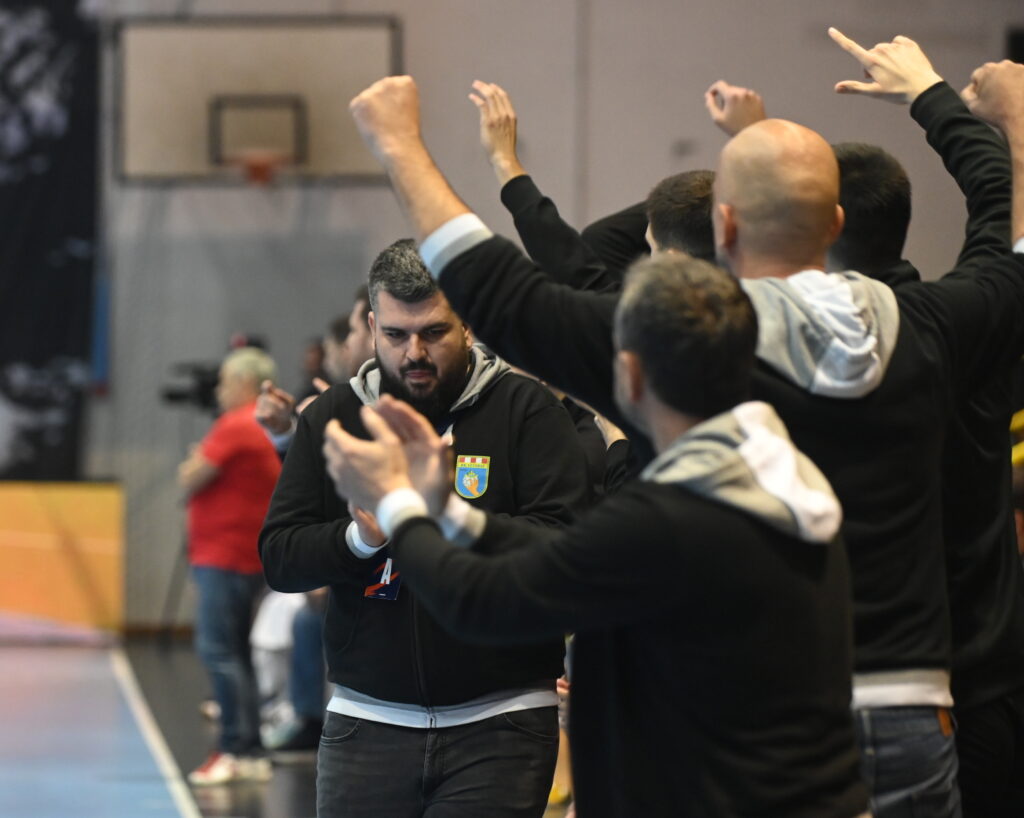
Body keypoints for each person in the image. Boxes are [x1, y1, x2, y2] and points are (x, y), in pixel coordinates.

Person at [346, 31, 1024, 817]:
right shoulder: (927, 330)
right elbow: (1006, 251)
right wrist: (994, 119)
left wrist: (402, 147)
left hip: (751, 717)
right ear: (832, 221)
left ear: (723, 230)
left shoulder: (694, 344)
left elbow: (508, 292)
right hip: (913, 709)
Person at [321, 255, 869, 817]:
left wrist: (398, 503)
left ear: (629, 373)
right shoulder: (777, 475)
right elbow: (563, 555)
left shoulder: (665, 519)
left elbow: (479, 600)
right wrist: (449, 512)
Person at [259, 238, 592, 818]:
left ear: (467, 321)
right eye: (395, 334)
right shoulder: (334, 418)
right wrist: (360, 538)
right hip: (366, 722)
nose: (415, 352)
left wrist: (445, 515)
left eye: (433, 332)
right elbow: (280, 557)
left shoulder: (526, 411)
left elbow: (565, 550)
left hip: (501, 723)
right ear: (371, 325)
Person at [176, 346, 282, 785]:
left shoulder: (237, 423)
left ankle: (234, 748)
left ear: (243, 383)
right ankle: (250, 749)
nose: (218, 391)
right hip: (241, 556)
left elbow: (190, 476)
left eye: (223, 382)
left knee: (220, 652)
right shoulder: (259, 425)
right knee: (236, 653)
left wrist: (195, 456)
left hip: (225, 557)